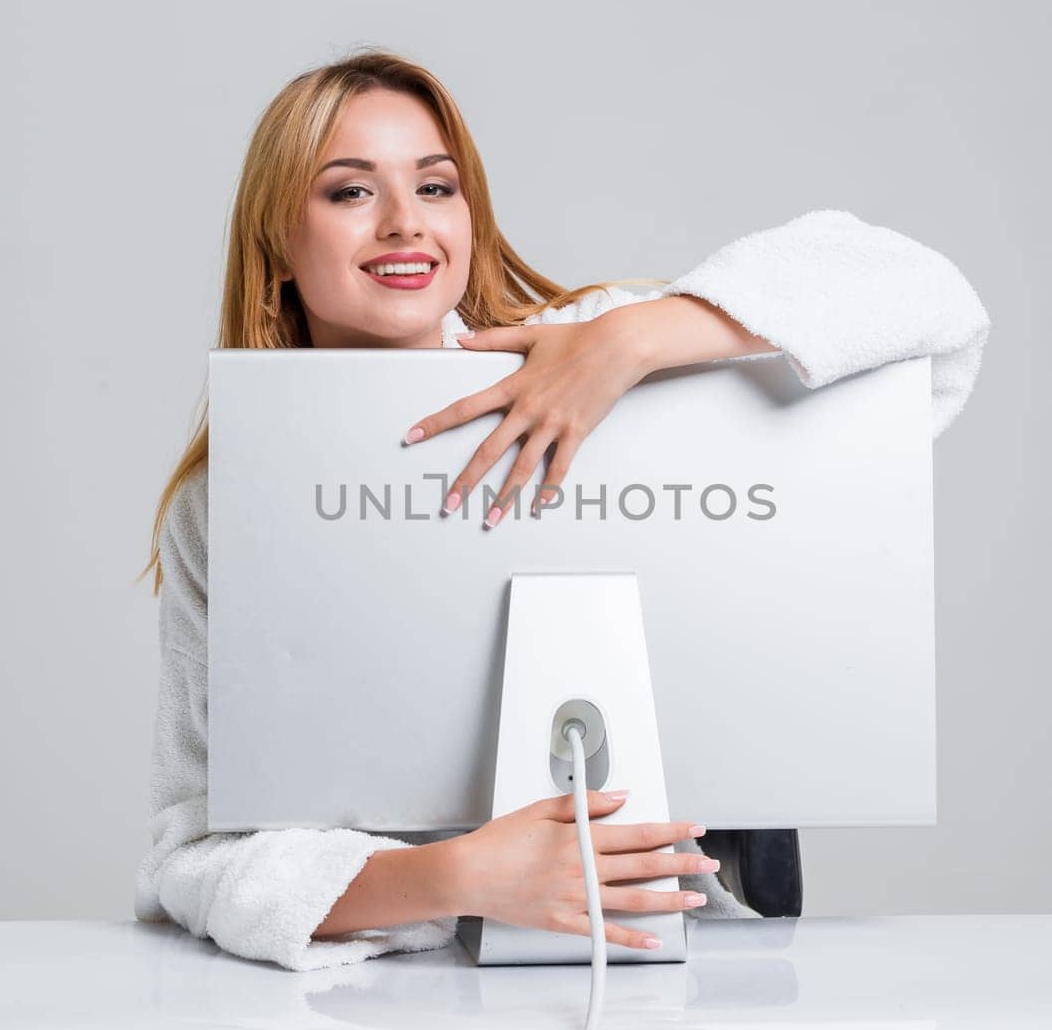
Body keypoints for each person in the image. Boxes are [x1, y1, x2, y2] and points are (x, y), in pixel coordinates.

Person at [134, 49, 991, 973]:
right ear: (276, 246)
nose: (404, 224)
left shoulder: (597, 362)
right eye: (348, 193)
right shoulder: (225, 502)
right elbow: (192, 855)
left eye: (436, 185)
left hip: (680, 957)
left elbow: (932, 301)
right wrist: (455, 875)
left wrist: (632, 340)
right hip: (390, 991)